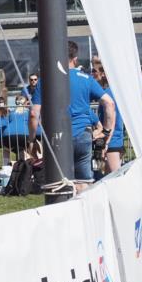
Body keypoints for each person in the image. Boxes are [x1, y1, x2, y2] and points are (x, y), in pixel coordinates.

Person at [29, 41, 107, 192]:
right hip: (83, 134)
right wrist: (106, 131)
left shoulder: (46, 81)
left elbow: (34, 114)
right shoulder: (86, 79)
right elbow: (109, 104)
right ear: (75, 59)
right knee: (84, 182)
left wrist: (31, 141)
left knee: (59, 182)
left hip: (57, 136)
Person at [91, 58, 125, 173]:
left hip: (111, 140)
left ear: (104, 74)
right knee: (105, 176)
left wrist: (105, 141)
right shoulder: (110, 92)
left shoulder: (109, 93)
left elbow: (113, 118)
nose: (92, 74)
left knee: (115, 177)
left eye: (94, 71)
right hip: (110, 139)